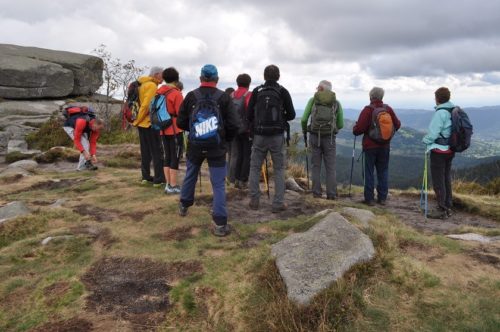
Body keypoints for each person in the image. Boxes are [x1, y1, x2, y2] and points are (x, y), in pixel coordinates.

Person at [177, 64, 240, 237]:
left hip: (195, 145)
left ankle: (184, 205)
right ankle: (220, 224)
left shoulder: (191, 96)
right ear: (217, 79)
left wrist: (197, 130)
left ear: (200, 79)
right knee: (218, 184)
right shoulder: (224, 98)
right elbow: (234, 124)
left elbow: (180, 122)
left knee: (191, 174)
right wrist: (224, 138)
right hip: (217, 147)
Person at [247, 64, 296, 212]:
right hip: (276, 135)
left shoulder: (257, 91)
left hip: (259, 135)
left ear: (264, 76)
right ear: (278, 76)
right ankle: (278, 203)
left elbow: (249, 115)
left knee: (255, 167)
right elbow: (292, 114)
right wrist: (281, 119)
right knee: (279, 169)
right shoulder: (283, 92)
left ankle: (254, 201)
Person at [353, 87, 401, 206]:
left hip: (370, 146)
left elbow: (359, 129)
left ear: (371, 97)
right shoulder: (387, 109)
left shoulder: (368, 110)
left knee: (369, 172)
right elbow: (398, 124)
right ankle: (382, 198)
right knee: (383, 171)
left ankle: (369, 199)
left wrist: (355, 128)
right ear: (381, 97)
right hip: (385, 146)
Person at [301, 80, 344, 200]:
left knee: (316, 166)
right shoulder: (336, 103)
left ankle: (316, 193)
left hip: (314, 136)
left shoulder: (312, 100)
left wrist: (306, 130)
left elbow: (304, 119)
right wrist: (332, 129)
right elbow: (341, 124)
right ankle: (331, 194)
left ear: (320, 88)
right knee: (330, 167)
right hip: (330, 138)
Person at [422, 87, 455, 219]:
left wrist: (425, 140)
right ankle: (447, 204)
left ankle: (441, 209)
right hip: (450, 149)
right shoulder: (453, 110)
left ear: (437, 98)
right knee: (446, 177)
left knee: (438, 180)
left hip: (439, 150)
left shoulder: (440, 113)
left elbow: (433, 133)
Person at [133, 66, 165, 187]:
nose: (163, 77)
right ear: (156, 75)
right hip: (149, 124)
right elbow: (147, 106)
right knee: (157, 151)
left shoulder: (142, 84)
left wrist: (137, 121)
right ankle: (158, 180)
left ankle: (145, 177)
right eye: (162, 74)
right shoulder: (151, 86)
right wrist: (138, 120)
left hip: (142, 124)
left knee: (145, 152)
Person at [157, 67, 184, 194]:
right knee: (175, 157)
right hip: (175, 129)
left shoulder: (159, 92)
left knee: (167, 156)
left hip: (162, 128)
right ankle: (173, 186)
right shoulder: (176, 93)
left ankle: (168, 184)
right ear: (176, 78)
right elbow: (181, 113)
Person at [232, 74, 253, 189]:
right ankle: (243, 180)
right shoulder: (248, 95)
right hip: (246, 130)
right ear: (249, 84)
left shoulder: (231, 95)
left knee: (238, 154)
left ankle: (236, 179)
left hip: (234, 129)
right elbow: (250, 113)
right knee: (247, 155)